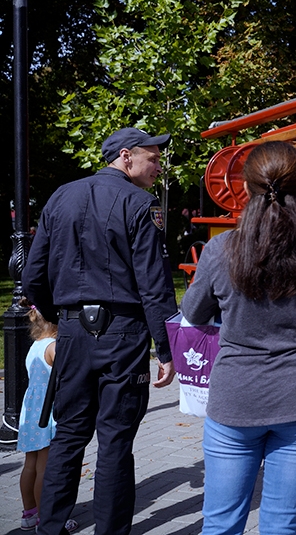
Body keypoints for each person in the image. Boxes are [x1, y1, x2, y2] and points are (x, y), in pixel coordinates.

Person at [181, 141, 296, 533]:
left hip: (234, 400)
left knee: (220, 524)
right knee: (282, 526)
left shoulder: (220, 250)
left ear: (245, 190)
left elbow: (193, 314)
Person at [22, 127, 178, 535]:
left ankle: (49, 527)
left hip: (73, 330)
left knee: (70, 435)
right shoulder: (142, 204)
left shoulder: (61, 197)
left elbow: (32, 275)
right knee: (114, 442)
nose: (158, 167)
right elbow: (154, 284)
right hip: (123, 334)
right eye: (153, 158)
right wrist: (167, 348)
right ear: (126, 157)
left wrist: (58, 320)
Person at [17, 303, 78, 533]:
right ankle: (47, 518)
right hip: (47, 410)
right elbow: (68, 374)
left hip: (31, 409)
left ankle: (28, 513)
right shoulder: (54, 346)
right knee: (46, 466)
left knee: (30, 463)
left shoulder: (35, 345)